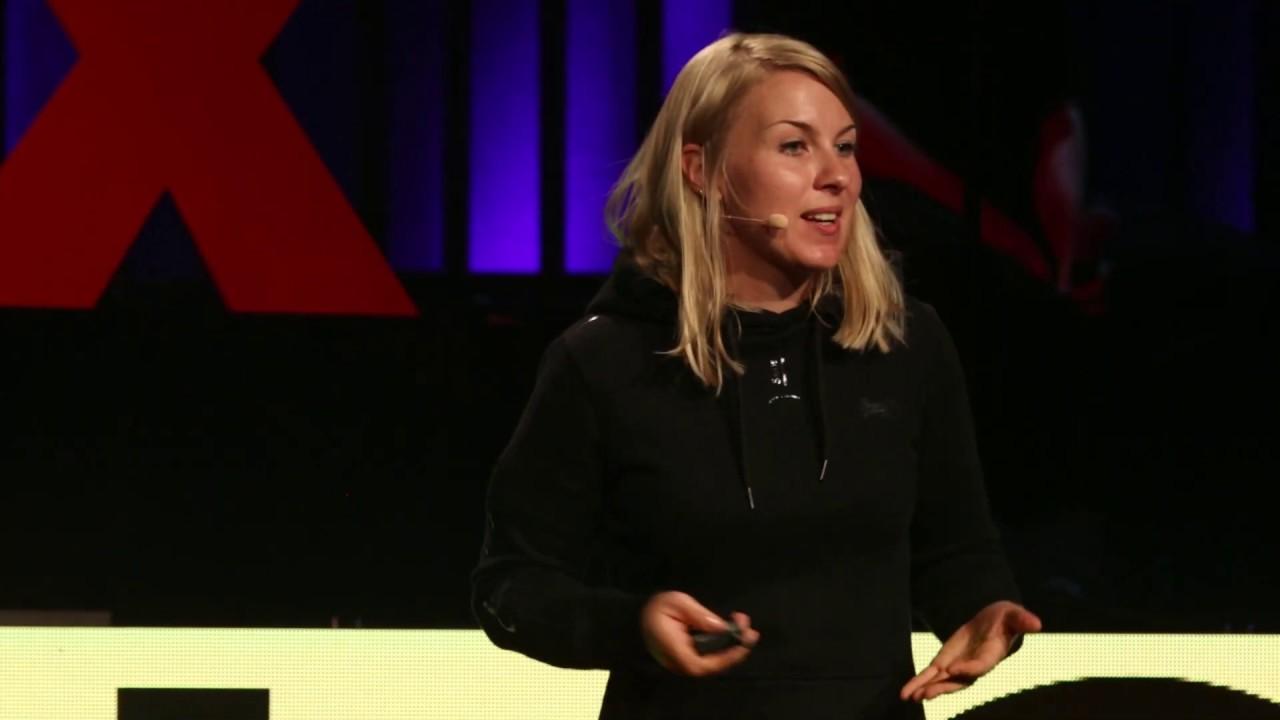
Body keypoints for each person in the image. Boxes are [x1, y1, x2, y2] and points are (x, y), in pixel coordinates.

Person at [471, 32, 1041, 719]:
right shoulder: (603, 360)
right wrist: (633, 626)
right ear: (702, 170)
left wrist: (983, 609)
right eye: (794, 146)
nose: (837, 176)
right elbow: (512, 587)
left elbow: (958, 548)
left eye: (845, 147)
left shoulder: (905, 342)